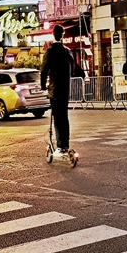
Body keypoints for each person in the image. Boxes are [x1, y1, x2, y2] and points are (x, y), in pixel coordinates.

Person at [40, 25, 75, 157]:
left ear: (53, 35)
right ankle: (65, 144)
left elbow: (43, 71)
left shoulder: (50, 52)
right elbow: (73, 66)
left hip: (54, 89)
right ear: (63, 35)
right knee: (64, 117)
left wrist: (43, 86)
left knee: (57, 118)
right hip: (65, 89)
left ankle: (60, 146)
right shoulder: (67, 52)